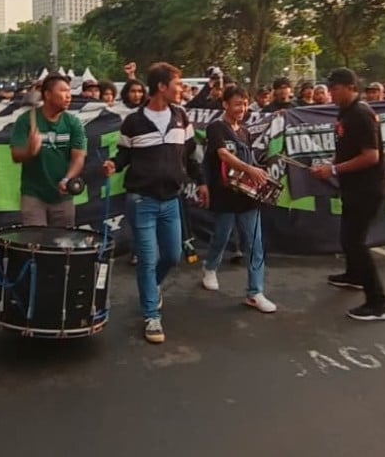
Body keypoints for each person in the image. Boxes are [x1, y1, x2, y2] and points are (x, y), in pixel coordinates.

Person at [103, 63, 209, 344]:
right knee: (147, 260)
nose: (182, 89)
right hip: (141, 201)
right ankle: (151, 316)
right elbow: (124, 154)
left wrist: (201, 182)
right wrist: (114, 163)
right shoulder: (133, 122)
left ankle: (153, 288)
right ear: (162, 87)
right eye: (177, 84)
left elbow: (190, 156)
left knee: (172, 256)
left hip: (171, 201)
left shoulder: (181, 117)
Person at [312, 68, 385, 322]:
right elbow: (345, 148)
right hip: (352, 186)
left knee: (355, 241)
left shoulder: (361, 114)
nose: (331, 93)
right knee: (347, 236)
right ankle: (354, 275)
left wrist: (334, 169)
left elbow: (371, 156)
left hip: (367, 188)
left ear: (350, 87)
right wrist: (330, 164)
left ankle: (379, 302)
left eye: (335, 88)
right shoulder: (345, 113)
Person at [199, 86, 276, 313]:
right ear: (225, 104)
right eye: (236, 104)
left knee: (255, 244)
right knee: (222, 236)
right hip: (224, 193)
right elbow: (223, 154)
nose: (241, 109)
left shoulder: (245, 131)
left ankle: (255, 292)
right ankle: (210, 267)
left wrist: (259, 172)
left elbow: (249, 158)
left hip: (247, 196)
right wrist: (249, 169)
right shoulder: (216, 128)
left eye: (244, 104)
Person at [10, 74, 87, 227]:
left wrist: (67, 179)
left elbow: (79, 158)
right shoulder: (26, 120)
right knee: (36, 244)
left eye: (69, 91)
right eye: (63, 91)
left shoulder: (73, 123)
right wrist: (30, 151)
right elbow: (16, 155)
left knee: (63, 243)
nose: (68, 96)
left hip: (63, 197)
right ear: (47, 94)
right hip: (33, 196)